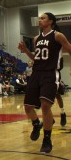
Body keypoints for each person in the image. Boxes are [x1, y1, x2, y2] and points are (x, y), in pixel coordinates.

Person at [18, 12, 71, 154]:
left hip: (50, 73)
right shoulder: (36, 38)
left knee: (45, 105)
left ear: (51, 21)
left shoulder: (57, 36)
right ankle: (37, 124)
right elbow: (36, 57)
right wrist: (26, 51)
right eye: (39, 18)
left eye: (43, 18)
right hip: (36, 73)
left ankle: (46, 139)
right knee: (28, 107)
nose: (40, 20)